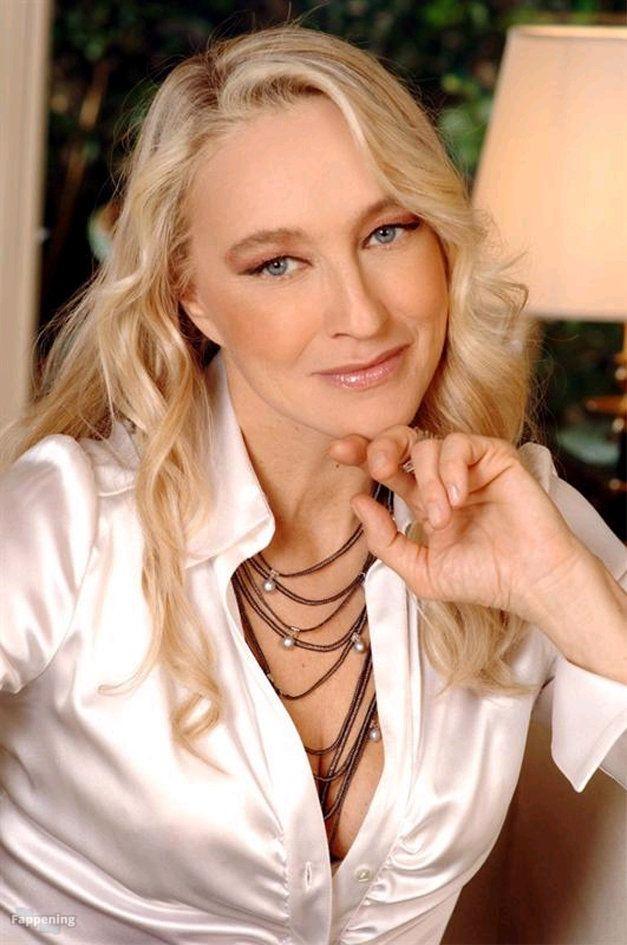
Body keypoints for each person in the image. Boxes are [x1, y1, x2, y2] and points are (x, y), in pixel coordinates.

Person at [1, 22, 625, 945]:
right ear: (191, 295)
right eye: (278, 263)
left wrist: (569, 596)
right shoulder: (72, 519)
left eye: (386, 231)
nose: (361, 314)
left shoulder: (515, 516)